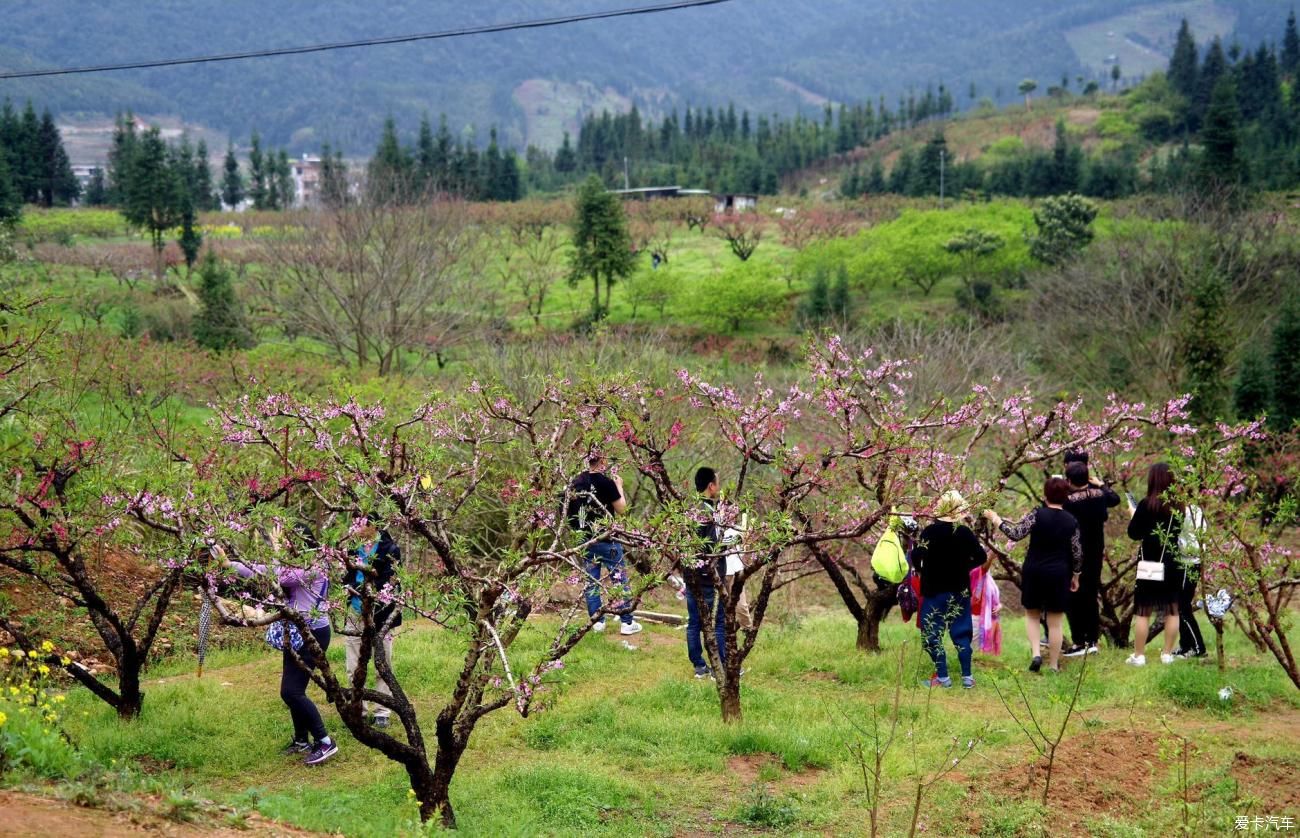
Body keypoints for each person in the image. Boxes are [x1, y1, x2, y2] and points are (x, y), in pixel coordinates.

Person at [227, 523, 338, 766]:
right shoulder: (298, 564)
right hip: (296, 631)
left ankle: (325, 741)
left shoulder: (314, 566)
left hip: (313, 633)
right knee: (292, 690)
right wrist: (230, 565)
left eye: (288, 542)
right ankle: (301, 740)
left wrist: (276, 549)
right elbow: (262, 570)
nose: (284, 547)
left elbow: (279, 577)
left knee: (291, 692)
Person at [984, 477, 1083, 673]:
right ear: (1066, 496)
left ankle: (1036, 654)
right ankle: (1054, 665)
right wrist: (1076, 575)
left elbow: (1015, 533)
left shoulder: (1037, 514)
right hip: (1059, 573)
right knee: (1055, 621)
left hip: (1034, 570)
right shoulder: (1071, 521)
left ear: (1045, 495)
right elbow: (1077, 552)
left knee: (1032, 615)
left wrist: (996, 519)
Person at [913, 491, 990, 689]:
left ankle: (943, 677)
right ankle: (967, 677)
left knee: (932, 633)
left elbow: (916, 556)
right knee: (962, 633)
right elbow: (982, 557)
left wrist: (922, 570)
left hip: (934, 591)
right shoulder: (964, 532)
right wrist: (965, 566)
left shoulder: (929, 532)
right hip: (960, 591)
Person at [568, 453, 641, 636]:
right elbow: (622, 509)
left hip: (584, 539)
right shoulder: (606, 482)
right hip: (607, 539)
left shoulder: (576, 483)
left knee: (591, 581)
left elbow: (569, 512)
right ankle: (626, 622)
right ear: (602, 461)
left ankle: (597, 622)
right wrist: (619, 487)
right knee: (619, 578)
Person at [343, 520, 402, 728]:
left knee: (382, 662)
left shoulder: (390, 549)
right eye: (355, 521)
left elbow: (391, 582)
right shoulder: (351, 548)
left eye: (361, 522)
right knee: (353, 664)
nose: (356, 526)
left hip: (381, 612)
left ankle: (382, 711)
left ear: (374, 526)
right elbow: (346, 576)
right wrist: (349, 590)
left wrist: (369, 590)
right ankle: (358, 707)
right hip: (356, 610)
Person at [1061, 456, 1120, 657]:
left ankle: (1079, 641)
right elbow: (1115, 499)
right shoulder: (1099, 495)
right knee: (1090, 596)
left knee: (1072, 596)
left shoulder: (1068, 501)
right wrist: (1101, 484)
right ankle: (1092, 640)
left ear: (1068, 480)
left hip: (1073, 553)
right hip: (1096, 552)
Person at [1126, 462, 1182, 666]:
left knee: (1143, 610)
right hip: (1172, 562)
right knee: (1172, 610)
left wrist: (1133, 516)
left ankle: (1139, 655)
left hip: (1149, 563)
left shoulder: (1145, 504)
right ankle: (1167, 654)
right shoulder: (1179, 506)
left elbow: (1134, 533)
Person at [684, 467, 727, 678]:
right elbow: (711, 547)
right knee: (718, 622)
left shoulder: (688, 509)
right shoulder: (709, 512)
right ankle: (721, 666)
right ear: (711, 486)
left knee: (694, 622)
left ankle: (699, 667)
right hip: (709, 578)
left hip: (690, 575)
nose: (718, 487)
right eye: (717, 483)